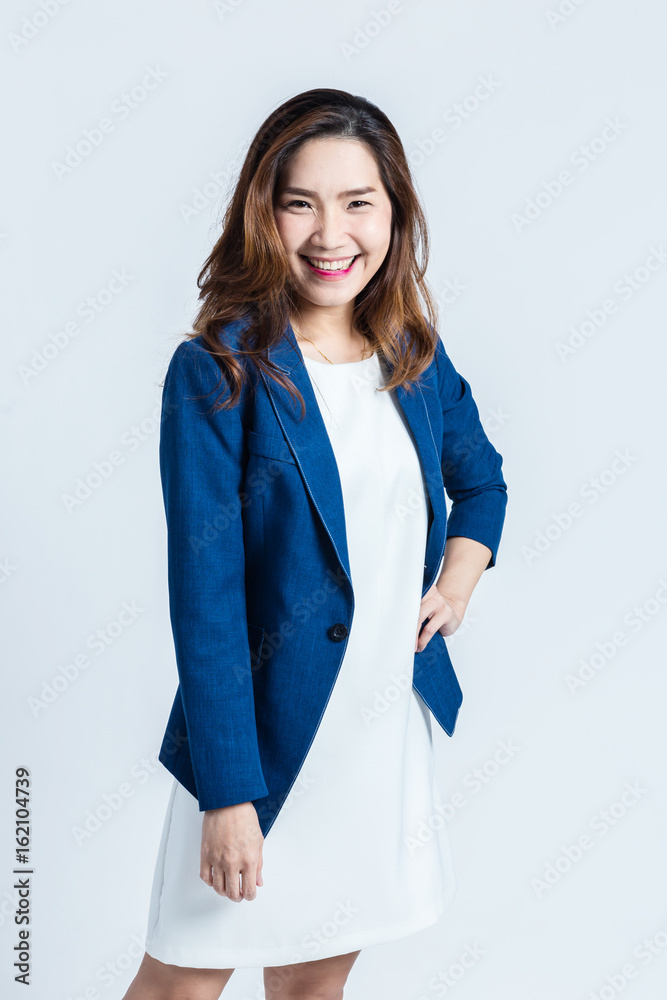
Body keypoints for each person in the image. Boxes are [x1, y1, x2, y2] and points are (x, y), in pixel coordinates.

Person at [123, 88, 508, 1000]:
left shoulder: (411, 351)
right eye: (300, 202)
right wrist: (226, 795)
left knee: (311, 988)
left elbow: (483, 482)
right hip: (258, 749)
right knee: (179, 982)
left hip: (375, 742)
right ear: (264, 212)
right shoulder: (216, 370)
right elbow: (205, 595)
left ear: (394, 212)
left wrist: (457, 579)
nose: (329, 234)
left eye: (357, 203)